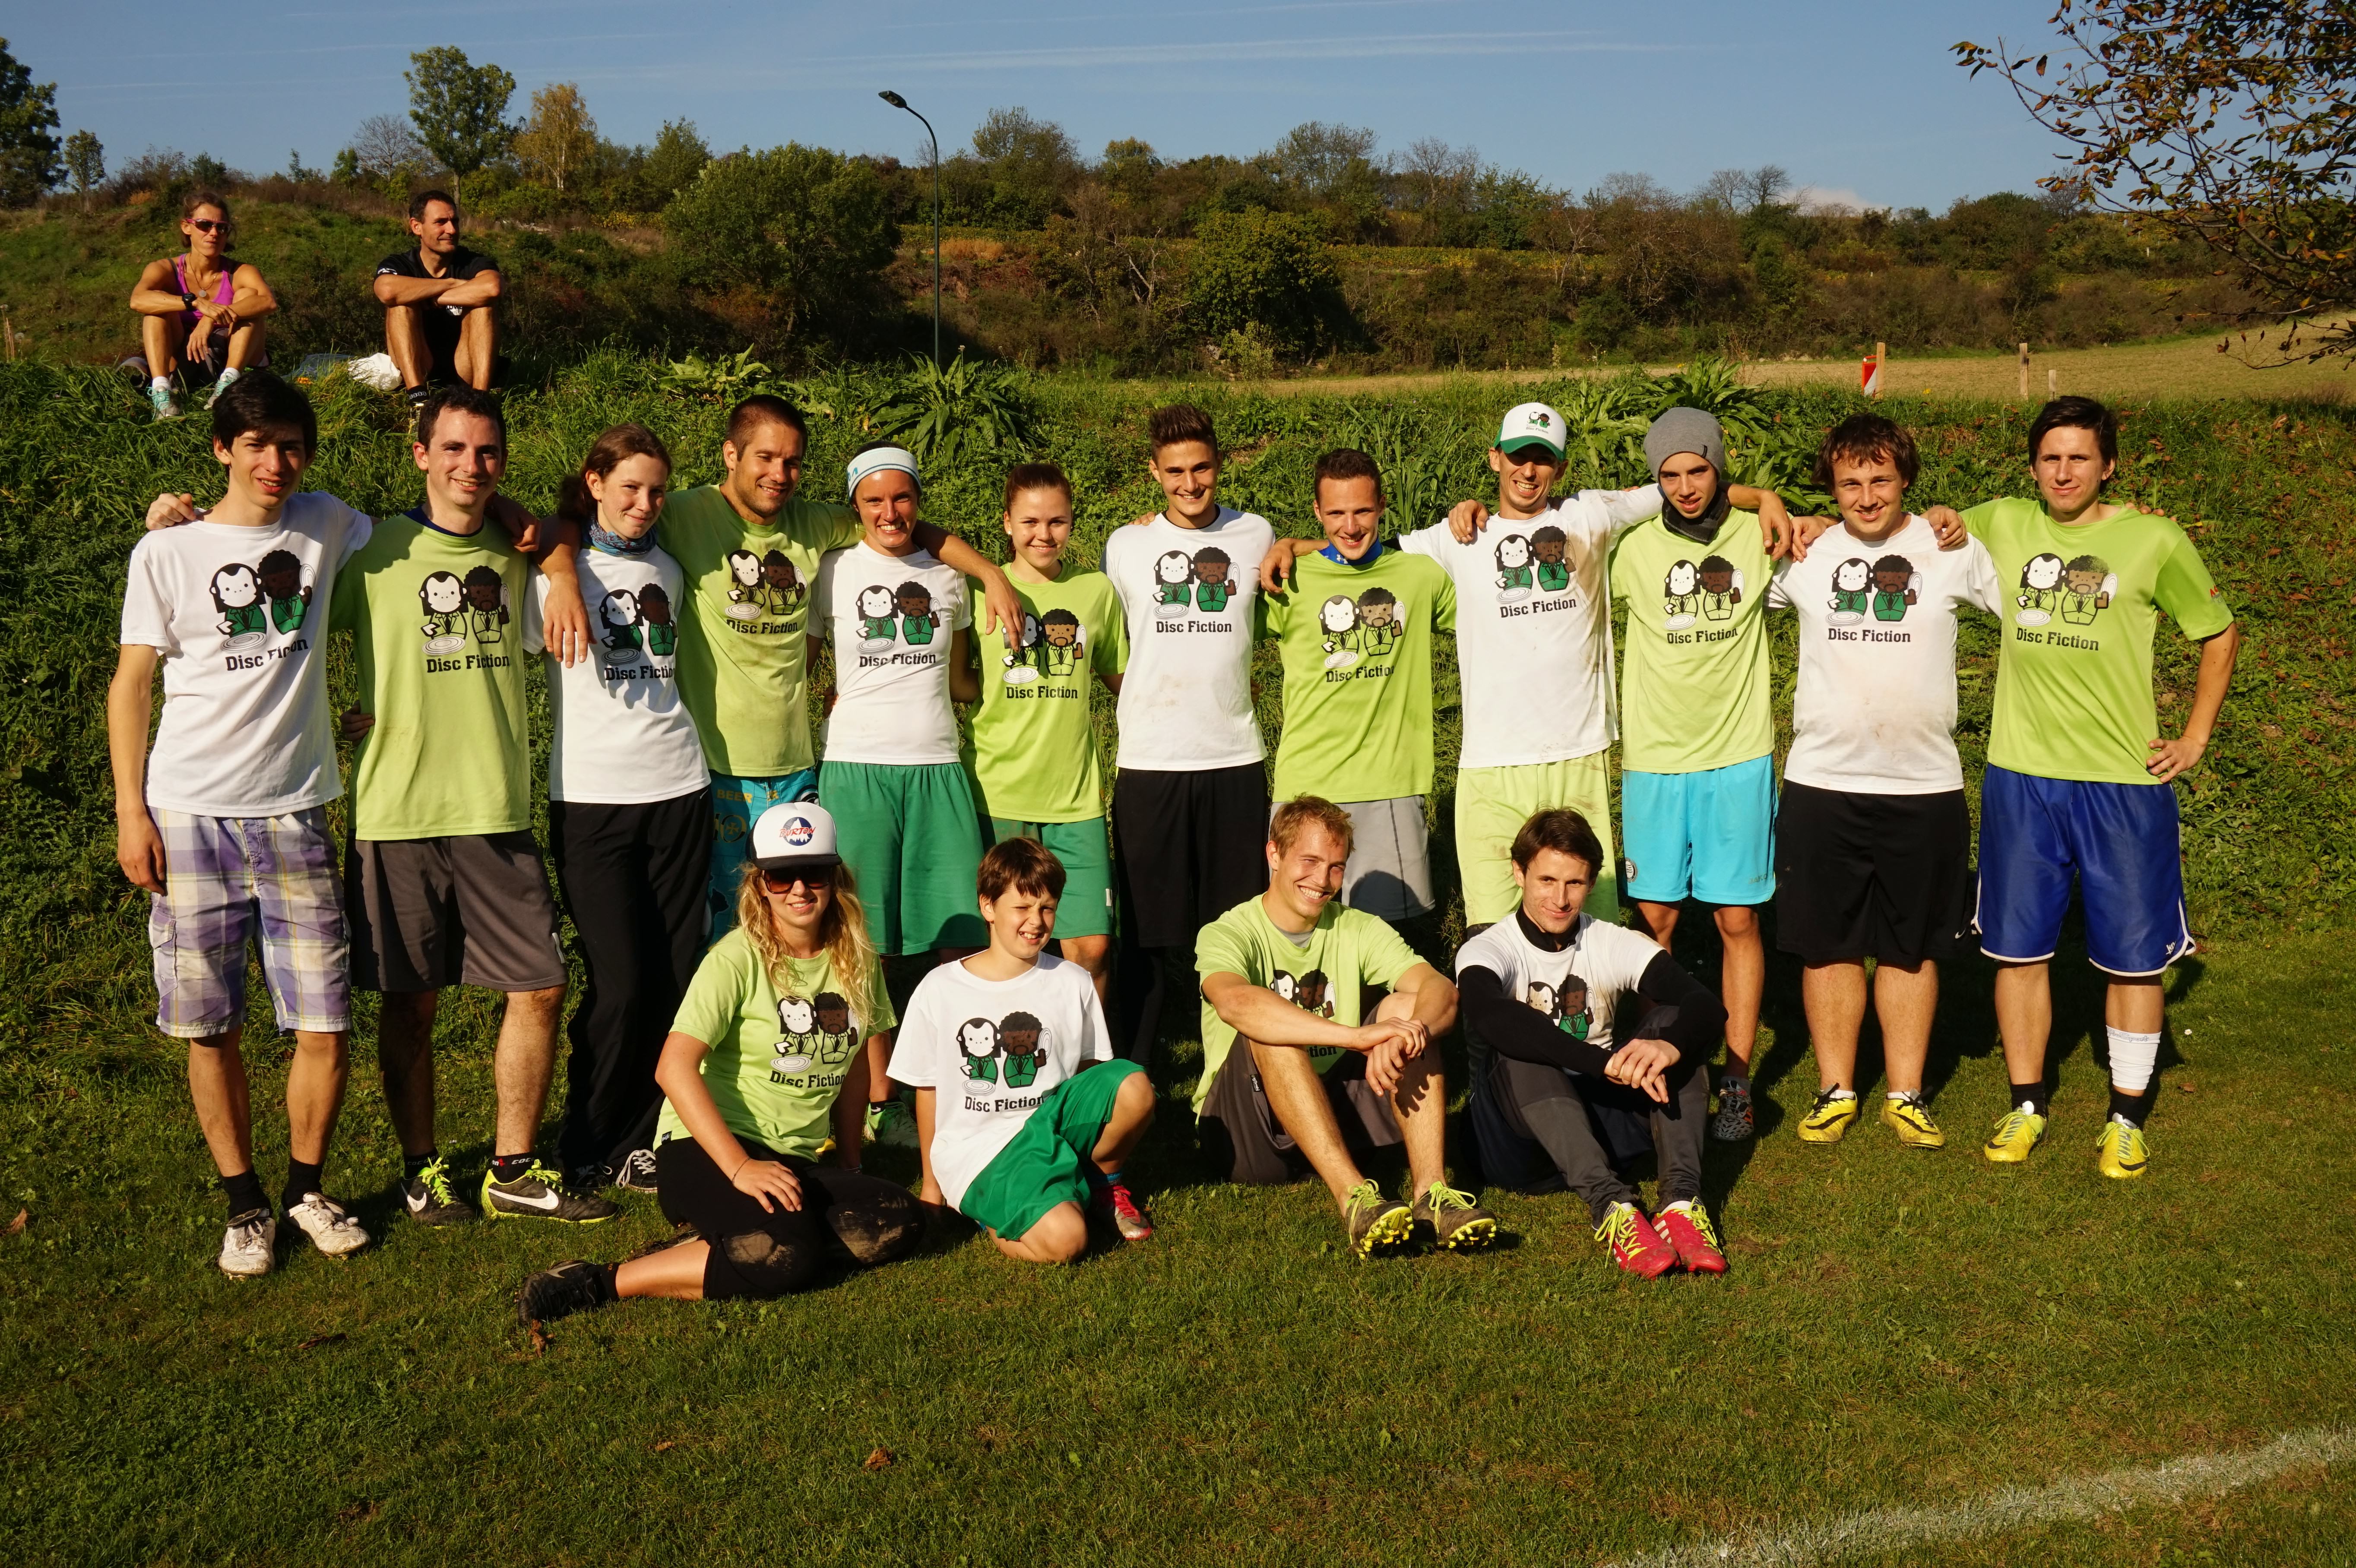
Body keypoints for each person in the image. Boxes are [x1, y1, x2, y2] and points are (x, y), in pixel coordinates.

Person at [1287, 403, 1795, 931]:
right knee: (1489, 927)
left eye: (1542, 460)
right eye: (1517, 457)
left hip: (1577, 753)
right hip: (1489, 762)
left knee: (1580, 921)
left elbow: (1683, 486)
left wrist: (1765, 498)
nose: (1528, 471)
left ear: (1561, 468)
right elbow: (1364, 547)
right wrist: (1295, 546)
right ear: (1495, 459)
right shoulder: (1457, 536)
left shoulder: (1590, 512)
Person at [332, 386, 617, 1226]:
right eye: (454, 448)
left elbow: (563, 536)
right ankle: (422, 1170)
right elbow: (291, 635)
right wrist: (331, 719)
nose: (471, 465)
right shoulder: (372, 550)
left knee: (541, 985)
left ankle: (513, 1170)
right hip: (397, 813)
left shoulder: (517, 546)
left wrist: (556, 567)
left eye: (487, 451)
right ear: (421, 454)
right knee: (410, 1002)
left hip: (495, 810)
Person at [108, 371, 369, 1275]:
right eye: (257, 444)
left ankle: (306, 1190)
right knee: (209, 1023)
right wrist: (131, 811)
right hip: (190, 812)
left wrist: (546, 542)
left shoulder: (328, 522)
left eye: (291, 445)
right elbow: (131, 685)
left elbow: (438, 525)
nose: (276, 462)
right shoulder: (166, 552)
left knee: (324, 1021)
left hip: (296, 811)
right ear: (222, 448)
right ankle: (245, 1205)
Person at [1965, 397, 2239, 1177]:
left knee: (2134, 959)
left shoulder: (2154, 539)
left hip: (2122, 781)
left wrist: (2195, 737)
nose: (2063, 472)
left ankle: (2126, 1116)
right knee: (2017, 952)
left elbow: (2219, 632)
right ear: (2032, 466)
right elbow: (1914, 528)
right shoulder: (2003, 522)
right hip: (2022, 776)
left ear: (2108, 465)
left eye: (2079, 457)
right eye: (2050, 458)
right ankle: (2026, 1105)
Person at [515, 803, 922, 1323]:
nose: (799, 889)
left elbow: (854, 1066)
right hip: (704, 1146)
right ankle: (599, 1280)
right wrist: (739, 1166)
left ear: (834, 877)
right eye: (782, 877)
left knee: (898, 1218)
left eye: (814, 872)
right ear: (760, 885)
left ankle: (723, 1243)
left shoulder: (857, 957)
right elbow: (673, 1067)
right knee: (787, 1254)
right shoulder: (734, 958)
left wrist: (849, 1163)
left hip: (792, 1156)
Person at [1767, 414, 2001, 1151]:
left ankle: (1905, 1093)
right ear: (1831, 488)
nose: (1866, 497)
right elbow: (1718, 579)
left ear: (1906, 481)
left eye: (1880, 480)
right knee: (1827, 944)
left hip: (1923, 784)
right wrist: (1782, 517)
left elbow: (2028, 599)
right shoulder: (1804, 552)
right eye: (1849, 483)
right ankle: (1836, 1090)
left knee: (1912, 946)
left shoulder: (1947, 547)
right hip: (1821, 780)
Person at [1195, 796, 1495, 1257]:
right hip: (1245, 1133)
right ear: (1274, 854)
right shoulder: (1229, 930)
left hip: (1337, 1110)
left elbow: (1440, 990)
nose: (1322, 880)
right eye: (1309, 861)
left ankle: (1431, 1195)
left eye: (1336, 867)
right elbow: (1235, 1001)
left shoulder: (1357, 927)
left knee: (1406, 1007)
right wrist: (1355, 1038)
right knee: (1273, 1029)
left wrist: (1408, 1030)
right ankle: (1355, 1200)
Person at [539, 425, 712, 1193]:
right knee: (619, 982)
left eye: (656, 490)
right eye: (630, 487)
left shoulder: (670, 568)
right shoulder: (552, 572)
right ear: (595, 483)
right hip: (592, 799)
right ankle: (587, 1137)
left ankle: (643, 1141)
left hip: (680, 787)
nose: (645, 503)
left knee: (673, 974)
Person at [1457, 809, 1730, 1277]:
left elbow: (1705, 1004)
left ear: (1590, 883)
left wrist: (1669, 1047)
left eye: (1575, 883)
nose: (1560, 899)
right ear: (1519, 873)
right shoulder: (1488, 947)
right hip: (1519, 1140)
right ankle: (1610, 1206)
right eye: (1546, 880)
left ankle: (1681, 1205)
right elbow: (1490, 1016)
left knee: (1671, 1023)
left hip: (1601, 1122)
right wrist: (1601, 1062)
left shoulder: (1609, 940)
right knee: (1522, 1041)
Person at [1607, 407, 1780, 1143]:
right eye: (1670, 474)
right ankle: (1662, 1070)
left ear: (1719, 468)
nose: (1684, 486)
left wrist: (1769, 500)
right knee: (1656, 923)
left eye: (1698, 470)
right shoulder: (1631, 548)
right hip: (1654, 761)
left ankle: (1736, 1080)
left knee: (1737, 920)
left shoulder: (1760, 535)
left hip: (1739, 758)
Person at [1099, 405, 1278, 1064]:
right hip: (1150, 762)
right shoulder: (1125, 545)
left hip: (1234, 759)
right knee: (1147, 934)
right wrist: (1141, 695)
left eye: (1201, 468)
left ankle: (1242, 1071)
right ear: (1155, 472)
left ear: (1219, 464)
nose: (1190, 483)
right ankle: (1137, 1077)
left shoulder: (1256, 534)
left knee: (1238, 928)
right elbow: (1110, 642)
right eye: (1175, 472)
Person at [894, 838, 1157, 1261]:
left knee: (1133, 1085)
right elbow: (928, 1089)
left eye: (1047, 908)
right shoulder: (941, 988)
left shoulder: (1072, 980)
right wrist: (931, 1186)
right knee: (1067, 1241)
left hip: (1048, 1127)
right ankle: (987, 1210)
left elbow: (1091, 1073)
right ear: (988, 906)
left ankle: (1102, 1184)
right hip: (982, 1151)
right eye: (1022, 907)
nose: (1036, 921)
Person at [810, 442, 990, 973]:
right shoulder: (831, 570)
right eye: (874, 501)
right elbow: (798, 667)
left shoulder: (949, 575)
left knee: (960, 932)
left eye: (902, 498)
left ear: (918, 499)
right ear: (855, 505)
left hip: (936, 764)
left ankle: (950, 1029)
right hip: (855, 765)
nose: (889, 513)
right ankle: (870, 1032)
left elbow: (960, 683)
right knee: (864, 935)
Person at [1257, 448, 1454, 925]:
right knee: (1297, 930)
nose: (1350, 526)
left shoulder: (1420, 576)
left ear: (1382, 505)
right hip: (1305, 783)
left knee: (1389, 939)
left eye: (1363, 511)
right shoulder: (1288, 579)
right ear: (1317, 512)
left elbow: (1492, 619)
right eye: (1336, 514)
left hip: (1389, 783)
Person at [962, 462, 1127, 1006]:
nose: (1043, 534)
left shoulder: (1095, 591)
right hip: (997, 792)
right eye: (1030, 521)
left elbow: (1123, 680)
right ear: (1006, 523)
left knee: (1090, 948)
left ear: (1072, 521)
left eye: (1057, 521)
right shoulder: (974, 590)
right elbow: (954, 681)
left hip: (1074, 797)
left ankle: (1085, 1055)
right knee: (1006, 942)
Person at [127, 191, 275, 420]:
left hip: (228, 356)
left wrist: (211, 318)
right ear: (187, 227)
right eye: (205, 225)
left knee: (248, 296)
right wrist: (194, 303)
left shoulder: (239, 271)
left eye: (222, 228)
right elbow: (138, 300)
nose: (214, 233)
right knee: (157, 309)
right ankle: (162, 393)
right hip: (182, 358)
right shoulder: (165, 269)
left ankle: (227, 386)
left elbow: (268, 301)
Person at [373, 190, 503, 405]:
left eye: (455, 221)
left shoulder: (473, 262)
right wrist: (451, 284)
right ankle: (418, 399)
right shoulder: (400, 264)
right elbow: (386, 291)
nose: (451, 230)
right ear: (417, 226)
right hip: (420, 364)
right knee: (400, 304)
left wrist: (432, 298)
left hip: (465, 366)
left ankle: (481, 401)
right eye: (441, 222)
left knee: (484, 306)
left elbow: (493, 287)